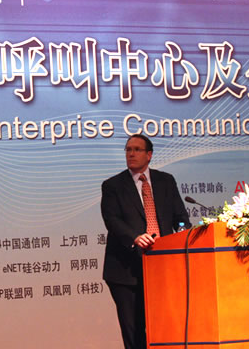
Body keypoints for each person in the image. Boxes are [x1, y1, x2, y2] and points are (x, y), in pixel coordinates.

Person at [101, 134, 190, 349]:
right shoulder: (113, 185)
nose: (131, 154)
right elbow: (112, 220)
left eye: (137, 149)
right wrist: (135, 237)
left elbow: (180, 217)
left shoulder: (165, 181)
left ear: (149, 155)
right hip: (126, 270)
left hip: (163, 267)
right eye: (128, 149)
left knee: (165, 327)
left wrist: (181, 235)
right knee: (135, 333)